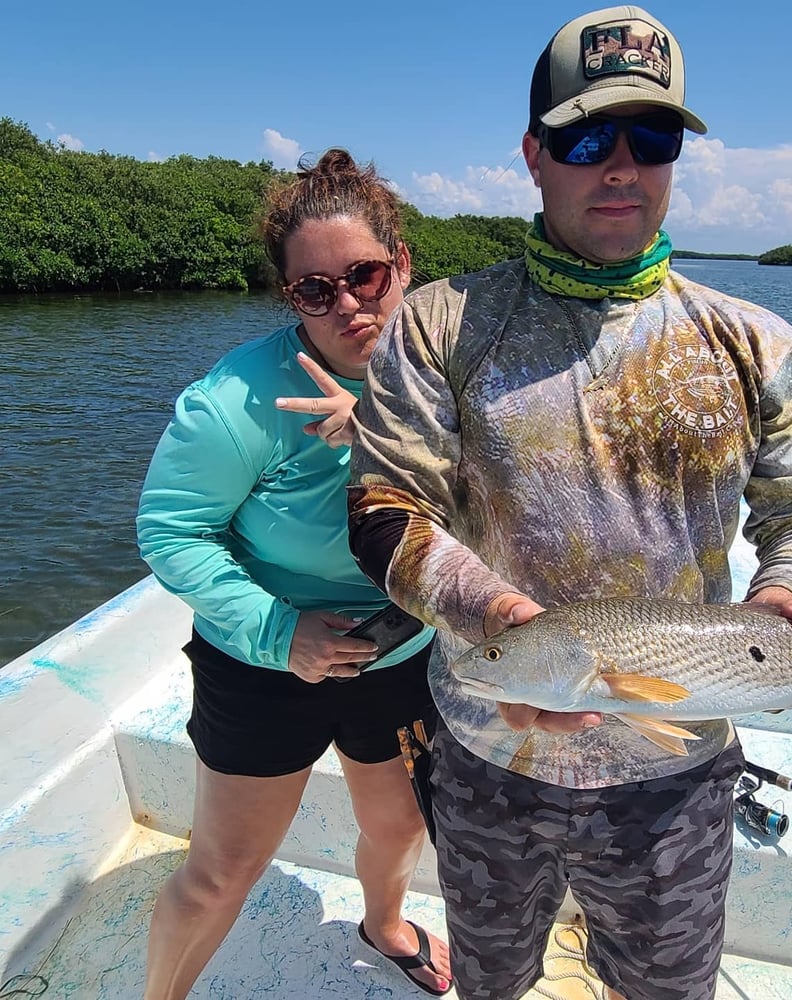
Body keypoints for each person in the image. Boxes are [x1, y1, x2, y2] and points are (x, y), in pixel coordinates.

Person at [346, 7, 792, 1000]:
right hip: (488, 752)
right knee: (493, 981)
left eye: (651, 136)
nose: (619, 164)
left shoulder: (755, 340)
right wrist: (504, 621)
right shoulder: (441, 325)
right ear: (536, 155)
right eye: (587, 137)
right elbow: (385, 512)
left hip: (677, 772)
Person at [136, 149, 451, 999]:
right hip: (262, 659)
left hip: (401, 647)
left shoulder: (446, 370)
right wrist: (280, 632)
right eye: (316, 289)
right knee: (221, 872)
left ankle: (384, 924)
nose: (347, 303)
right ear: (289, 296)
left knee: (399, 823)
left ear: (403, 267)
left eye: (365, 276)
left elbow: (504, 486)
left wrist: (377, 430)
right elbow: (171, 532)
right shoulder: (233, 402)